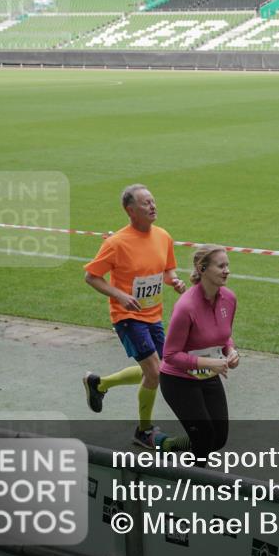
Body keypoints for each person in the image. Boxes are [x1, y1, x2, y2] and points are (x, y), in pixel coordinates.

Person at [82, 184, 186, 449]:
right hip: (127, 316)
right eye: (146, 203)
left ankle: (100, 384)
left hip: (153, 314)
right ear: (130, 210)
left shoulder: (163, 236)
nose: (153, 206)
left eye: (153, 201)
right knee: (153, 371)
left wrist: (173, 281)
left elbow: (167, 269)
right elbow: (91, 276)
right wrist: (119, 295)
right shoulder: (116, 243)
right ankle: (144, 431)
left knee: (157, 369)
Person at [160, 245, 238, 463]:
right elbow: (170, 355)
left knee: (219, 439)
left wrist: (231, 351)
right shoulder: (186, 307)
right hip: (178, 381)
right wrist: (211, 362)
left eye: (227, 265)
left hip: (207, 376)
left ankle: (170, 445)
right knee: (204, 439)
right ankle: (192, 484)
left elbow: (224, 336)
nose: (227, 270)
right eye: (220, 266)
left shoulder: (229, 299)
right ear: (202, 269)